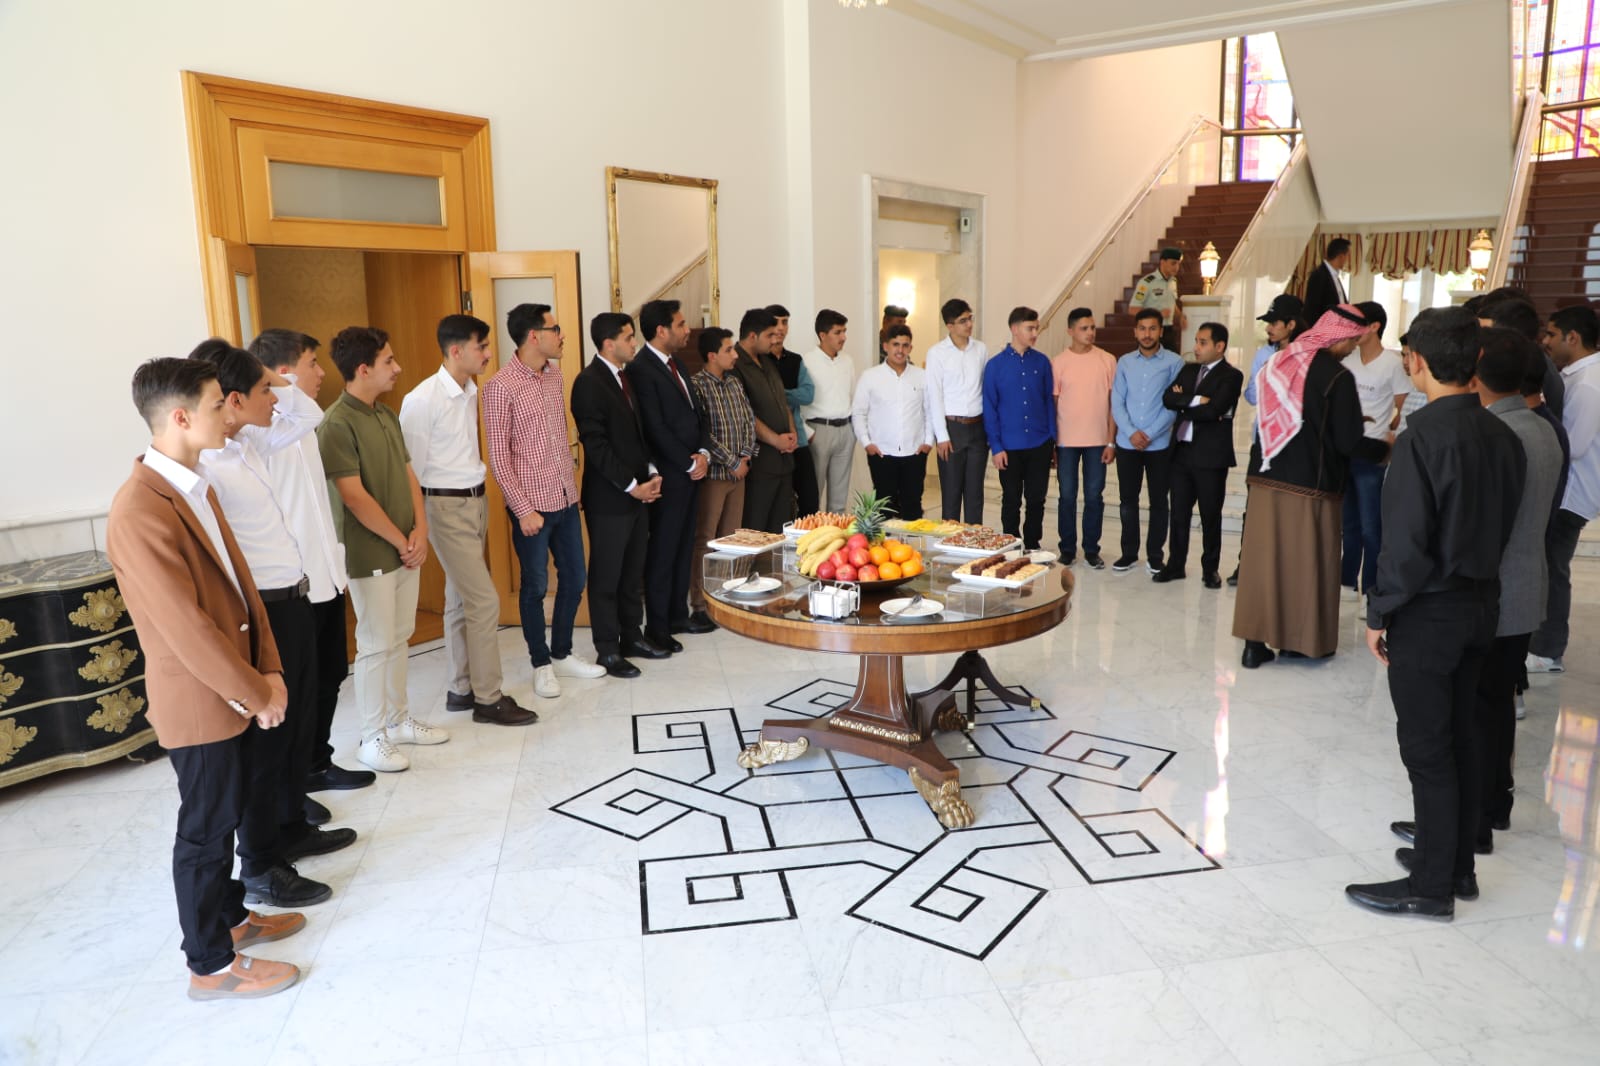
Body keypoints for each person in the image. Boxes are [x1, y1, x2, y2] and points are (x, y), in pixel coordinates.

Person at [106, 357, 302, 1001]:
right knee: (206, 831)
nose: (230, 412)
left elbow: (243, 589)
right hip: (199, 699)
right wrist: (255, 691)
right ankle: (210, 965)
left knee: (230, 810)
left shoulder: (197, 485)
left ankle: (233, 918)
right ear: (181, 417)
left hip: (235, 685)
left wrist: (269, 669)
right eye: (219, 404)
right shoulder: (139, 508)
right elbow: (185, 628)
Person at [1346, 307, 1523, 919]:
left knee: (1427, 749)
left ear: (1415, 361)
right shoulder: (1503, 434)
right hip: (1482, 606)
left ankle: (1429, 888)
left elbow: (1405, 544)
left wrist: (1378, 614)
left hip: (1430, 612)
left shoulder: (1421, 437)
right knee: (1463, 738)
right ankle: (1455, 867)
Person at [190, 341, 351, 910]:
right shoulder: (206, 467)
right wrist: (251, 371)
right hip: (260, 611)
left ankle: (290, 830)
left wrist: (257, 370)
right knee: (266, 740)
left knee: (296, 725)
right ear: (233, 400)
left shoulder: (247, 443)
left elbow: (306, 410)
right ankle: (260, 865)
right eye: (264, 389)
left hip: (293, 600)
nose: (276, 398)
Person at [246, 330, 376, 798]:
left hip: (325, 573)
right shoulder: (259, 432)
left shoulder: (300, 426)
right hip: (290, 583)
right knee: (299, 688)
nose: (321, 372)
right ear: (283, 374)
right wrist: (270, 378)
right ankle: (296, 781)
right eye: (311, 363)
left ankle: (318, 762)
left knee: (331, 674)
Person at [398, 315, 537, 727]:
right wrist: (419, 524)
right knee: (484, 600)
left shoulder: (471, 390)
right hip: (443, 507)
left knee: (460, 600)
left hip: (474, 502)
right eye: (482, 346)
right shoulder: (422, 399)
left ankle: (461, 689)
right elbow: (410, 470)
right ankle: (489, 699)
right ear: (456, 351)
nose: (489, 354)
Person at [319, 326, 445, 774]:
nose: (398, 368)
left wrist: (421, 530)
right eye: (388, 361)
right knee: (375, 643)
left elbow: (409, 474)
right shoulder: (336, 423)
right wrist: (400, 540)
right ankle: (371, 737)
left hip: (405, 546)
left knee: (399, 636)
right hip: (370, 552)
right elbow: (353, 497)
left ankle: (398, 720)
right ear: (363, 369)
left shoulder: (386, 414)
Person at [1234, 305, 1388, 667]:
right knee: (1304, 563)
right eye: (1351, 340)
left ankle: (1254, 644)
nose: (1351, 348)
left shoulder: (1279, 362)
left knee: (1261, 561)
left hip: (1265, 476)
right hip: (1310, 485)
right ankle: (1299, 643)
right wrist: (1385, 448)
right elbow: (1348, 442)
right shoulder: (1336, 376)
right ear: (1338, 336)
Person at [481, 303, 608, 701]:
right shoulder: (500, 386)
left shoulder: (555, 376)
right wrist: (523, 510)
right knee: (535, 587)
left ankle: (562, 653)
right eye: (556, 329)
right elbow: (499, 458)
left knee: (575, 579)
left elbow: (557, 439)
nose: (562, 335)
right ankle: (541, 664)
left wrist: (572, 490)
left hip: (565, 498)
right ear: (534, 336)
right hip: (531, 508)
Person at [1469, 330, 1560, 850]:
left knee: (1478, 709)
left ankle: (1476, 820)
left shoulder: (1500, 433)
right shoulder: (1539, 425)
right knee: (1497, 703)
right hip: (1525, 585)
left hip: (1496, 591)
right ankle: (1495, 804)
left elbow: (1484, 524)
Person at [570, 312, 666, 678]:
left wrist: (651, 473)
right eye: (628, 337)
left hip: (639, 493)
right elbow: (596, 446)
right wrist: (631, 485)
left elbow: (638, 437)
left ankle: (632, 637)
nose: (634, 343)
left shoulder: (624, 377)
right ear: (609, 343)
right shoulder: (588, 382)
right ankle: (608, 650)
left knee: (631, 573)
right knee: (607, 577)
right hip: (610, 499)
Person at [629, 299, 712, 652]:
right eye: (680, 324)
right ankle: (658, 626)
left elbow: (698, 414)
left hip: (691, 471)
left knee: (683, 545)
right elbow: (654, 427)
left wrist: (704, 453)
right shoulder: (641, 368)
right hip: (668, 474)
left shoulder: (677, 363)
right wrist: (687, 462)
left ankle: (678, 615)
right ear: (661, 330)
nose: (687, 330)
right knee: (663, 550)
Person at [1528, 304, 1600, 673]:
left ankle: (1548, 650)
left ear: (1573, 337)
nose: (1546, 341)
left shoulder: (1587, 383)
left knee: (1553, 570)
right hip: (1567, 489)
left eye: (1552, 334)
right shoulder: (1577, 375)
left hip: (1572, 493)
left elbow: (1574, 445)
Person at [1158, 322, 1242, 588]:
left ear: (1220, 346)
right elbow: (1168, 399)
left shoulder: (1231, 376)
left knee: (1210, 515)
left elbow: (1215, 409)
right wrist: (1196, 400)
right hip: (1181, 453)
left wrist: (1186, 402)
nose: (1196, 347)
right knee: (1178, 514)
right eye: (1196, 341)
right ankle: (1175, 565)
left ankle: (1210, 569)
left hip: (1210, 457)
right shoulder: (1189, 370)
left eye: (1202, 342)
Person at [1231, 295, 1306, 586]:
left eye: (1274, 323)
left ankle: (1284, 571)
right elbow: (1251, 395)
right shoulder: (1263, 354)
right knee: (1255, 508)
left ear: (1291, 324)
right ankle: (1246, 566)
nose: (1269, 328)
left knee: (1289, 510)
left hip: (1294, 444)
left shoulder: (1307, 355)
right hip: (1262, 442)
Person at [1340, 301, 1410, 599]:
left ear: (1374, 327)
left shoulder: (1392, 364)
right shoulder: (1347, 360)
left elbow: (1403, 406)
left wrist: (1391, 435)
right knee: (1349, 523)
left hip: (1373, 454)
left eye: (1357, 324)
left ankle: (1371, 589)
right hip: (1346, 450)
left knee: (1372, 527)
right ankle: (1346, 582)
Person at [1110, 308, 1183, 574]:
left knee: (1159, 502)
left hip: (1159, 445)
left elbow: (1174, 405)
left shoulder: (1175, 362)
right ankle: (1129, 553)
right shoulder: (1125, 362)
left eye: (1152, 328)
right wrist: (1131, 432)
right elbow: (1117, 401)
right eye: (1142, 328)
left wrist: (1149, 433)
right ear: (1135, 332)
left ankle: (1155, 556)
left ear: (1161, 331)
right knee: (1127, 501)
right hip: (1127, 443)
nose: (1147, 334)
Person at [690, 328, 756, 619]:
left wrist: (745, 455)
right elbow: (702, 433)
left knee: (732, 539)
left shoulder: (734, 382)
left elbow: (748, 420)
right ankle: (701, 603)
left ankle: (727, 599)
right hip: (714, 475)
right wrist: (731, 461)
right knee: (706, 539)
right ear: (712, 355)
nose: (735, 354)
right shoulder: (697, 385)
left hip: (738, 474)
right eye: (729, 349)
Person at [983, 307, 1057, 550]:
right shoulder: (995, 366)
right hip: (1009, 445)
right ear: (1015, 329)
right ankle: (1011, 543)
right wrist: (996, 447)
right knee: (1011, 499)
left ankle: (1033, 543)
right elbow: (990, 408)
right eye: (1030, 328)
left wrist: (1052, 439)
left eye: (1036, 328)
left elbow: (1048, 401)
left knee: (1036, 498)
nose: (1035, 333)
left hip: (1039, 442)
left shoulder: (1042, 362)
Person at [1051, 307, 1116, 568]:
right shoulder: (1059, 362)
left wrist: (1111, 441)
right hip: (1066, 442)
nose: (1090, 333)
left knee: (1094, 497)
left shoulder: (1107, 360)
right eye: (1084, 328)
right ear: (1071, 331)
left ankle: (1091, 549)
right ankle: (1067, 549)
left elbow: (1113, 405)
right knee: (1067, 496)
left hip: (1098, 441)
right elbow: (1054, 405)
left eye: (1092, 328)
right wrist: (1053, 443)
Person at [852, 323, 933, 521]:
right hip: (882, 453)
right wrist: (867, 443)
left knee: (913, 505)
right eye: (895, 344)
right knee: (884, 507)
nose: (900, 350)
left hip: (914, 452)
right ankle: (886, 541)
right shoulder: (870, 377)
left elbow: (930, 412)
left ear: (910, 348)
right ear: (885, 346)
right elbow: (859, 413)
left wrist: (928, 442)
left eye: (905, 345)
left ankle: (912, 542)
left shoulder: (922, 376)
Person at [925, 298, 989, 524]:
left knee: (975, 494)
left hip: (978, 427)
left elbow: (986, 388)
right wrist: (941, 436)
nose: (969, 324)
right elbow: (934, 396)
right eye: (963, 321)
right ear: (950, 325)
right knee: (951, 493)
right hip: (951, 429)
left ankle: (975, 540)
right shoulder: (936, 353)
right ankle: (950, 541)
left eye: (970, 318)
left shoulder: (980, 349)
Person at [732, 307, 796, 532]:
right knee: (756, 527)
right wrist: (775, 440)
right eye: (769, 335)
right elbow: (746, 414)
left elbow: (782, 402)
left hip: (783, 460)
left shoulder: (767, 361)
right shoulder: (735, 365)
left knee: (781, 527)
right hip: (760, 462)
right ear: (752, 336)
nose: (775, 339)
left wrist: (792, 432)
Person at [801, 309, 857, 513]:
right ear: (823, 335)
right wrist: (808, 433)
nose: (843, 337)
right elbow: (797, 402)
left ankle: (837, 532)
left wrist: (853, 430)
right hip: (818, 430)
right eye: (837, 332)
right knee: (813, 494)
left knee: (839, 499)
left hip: (845, 430)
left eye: (844, 331)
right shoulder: (806, 361)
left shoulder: (847, 361)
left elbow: (852, 395)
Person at [770, 304, 819, 518]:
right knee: (780, 503)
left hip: (798, 438)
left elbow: (808, 394)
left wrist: (779, 394)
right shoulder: (759, 360)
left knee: (810, 500)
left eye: (785, 322)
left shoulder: (795, 360)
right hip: (771, 441)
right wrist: (789, 395)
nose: (781, 327)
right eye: (776, 322)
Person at [1130, 247, 1185, 353]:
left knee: (1173, 360)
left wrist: (1180, 316)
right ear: (1162, 262)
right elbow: (1133, 309)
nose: (1177, 267)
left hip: (1169, 330)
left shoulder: (1173, 281)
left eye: (1178, 264)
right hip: (1151, 331)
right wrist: (1158, 314)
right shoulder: (1147, 283)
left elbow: (1171, 303)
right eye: (1173, 263)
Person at [1302, 237, 1350, 325]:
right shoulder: (1319, 275)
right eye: (1347, 256)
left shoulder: (1334, 276)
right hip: (1323, 329)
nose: (1347, 260)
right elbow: (1311, 309)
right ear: (1341, 256)